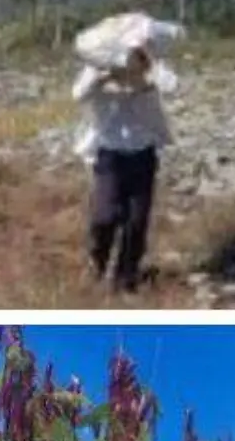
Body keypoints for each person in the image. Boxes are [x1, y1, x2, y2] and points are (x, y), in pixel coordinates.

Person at [73, 45, 174, 292]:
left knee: (136, 222)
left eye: (133, 58)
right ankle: (97, 263)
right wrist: (103, 73)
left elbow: (172, 85)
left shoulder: (149, 81)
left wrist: (149, 63)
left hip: (143, 155)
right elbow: (78, 93)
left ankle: (125, 278)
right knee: (104, 216)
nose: (127, 63)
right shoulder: (99, 80)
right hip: (110, 157)